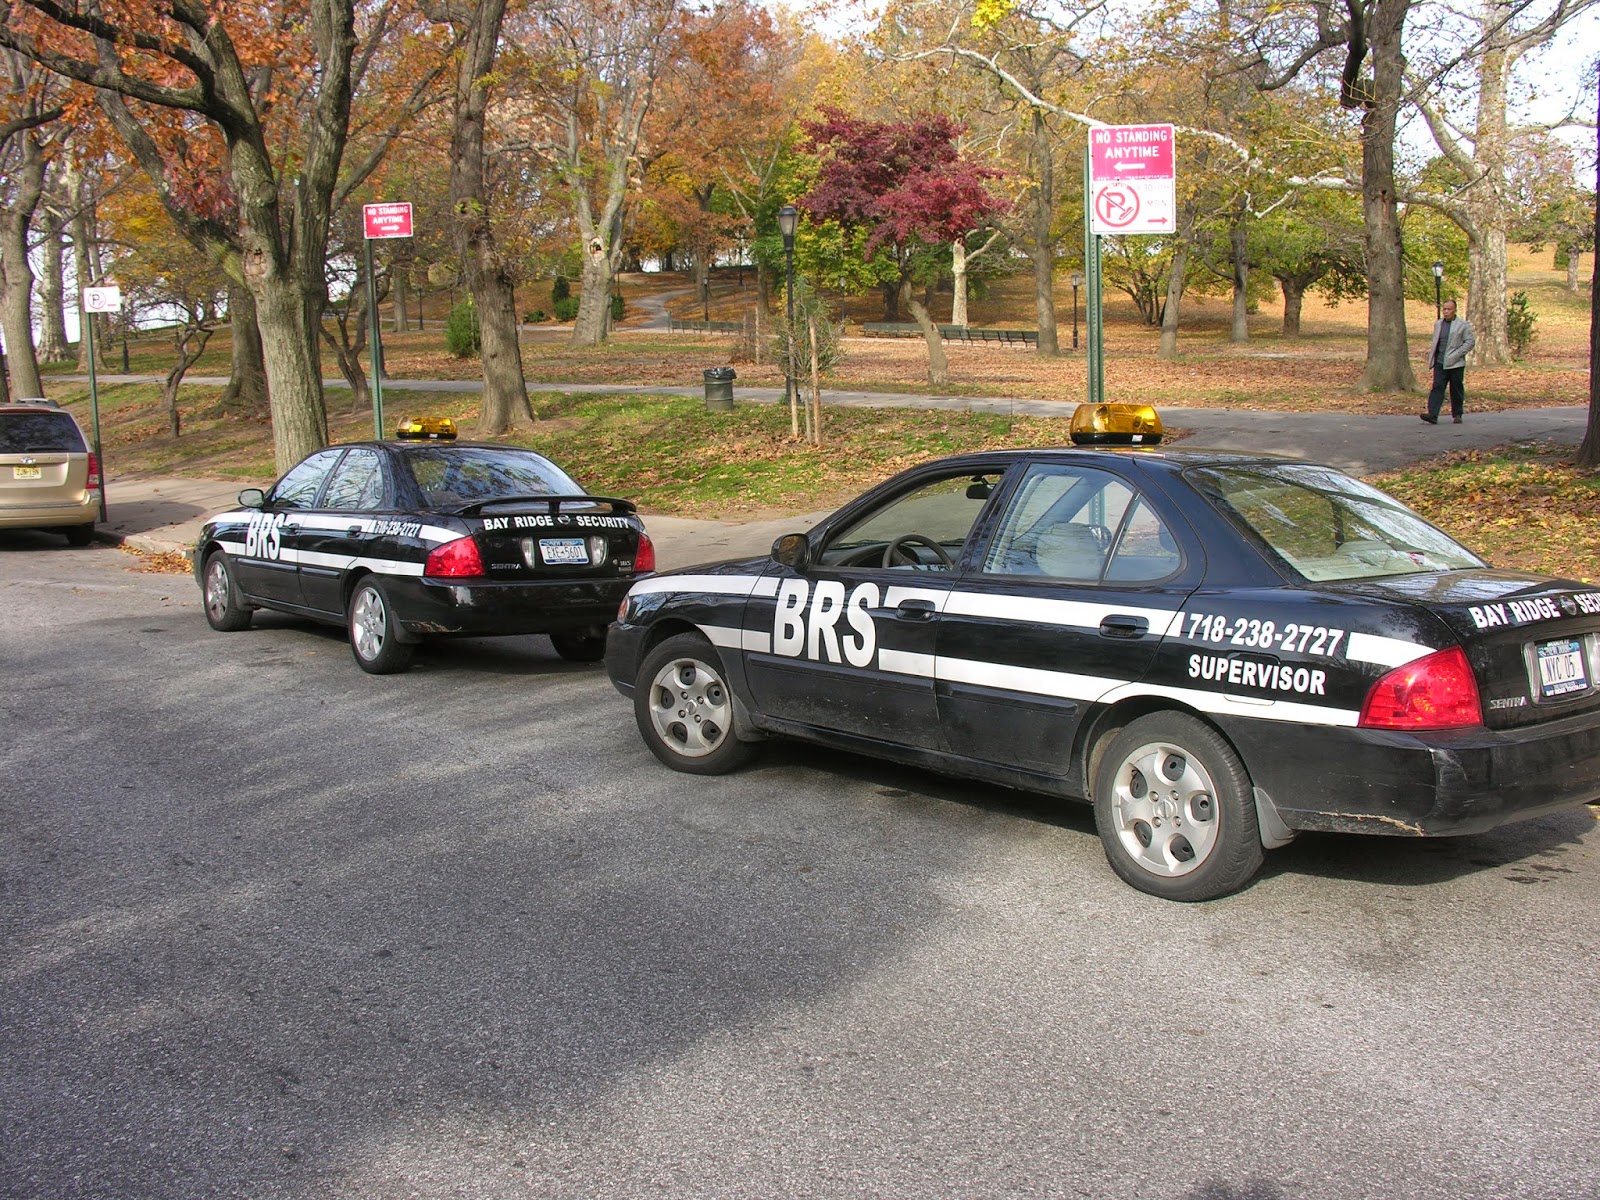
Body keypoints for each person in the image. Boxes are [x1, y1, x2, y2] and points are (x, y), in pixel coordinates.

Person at [1420, 298, 1475, 424]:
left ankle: (1457, 414)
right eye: (1444, 309)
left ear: (1454, 310)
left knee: (1456, 388)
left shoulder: (1462, 325)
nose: (1446, 312)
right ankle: (1432, 414)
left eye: (1448, 309)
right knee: (1437, 387)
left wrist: (1458, 354)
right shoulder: (1438, 324)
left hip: (1455, 363)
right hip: (1440, 362)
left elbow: (1470, 341)